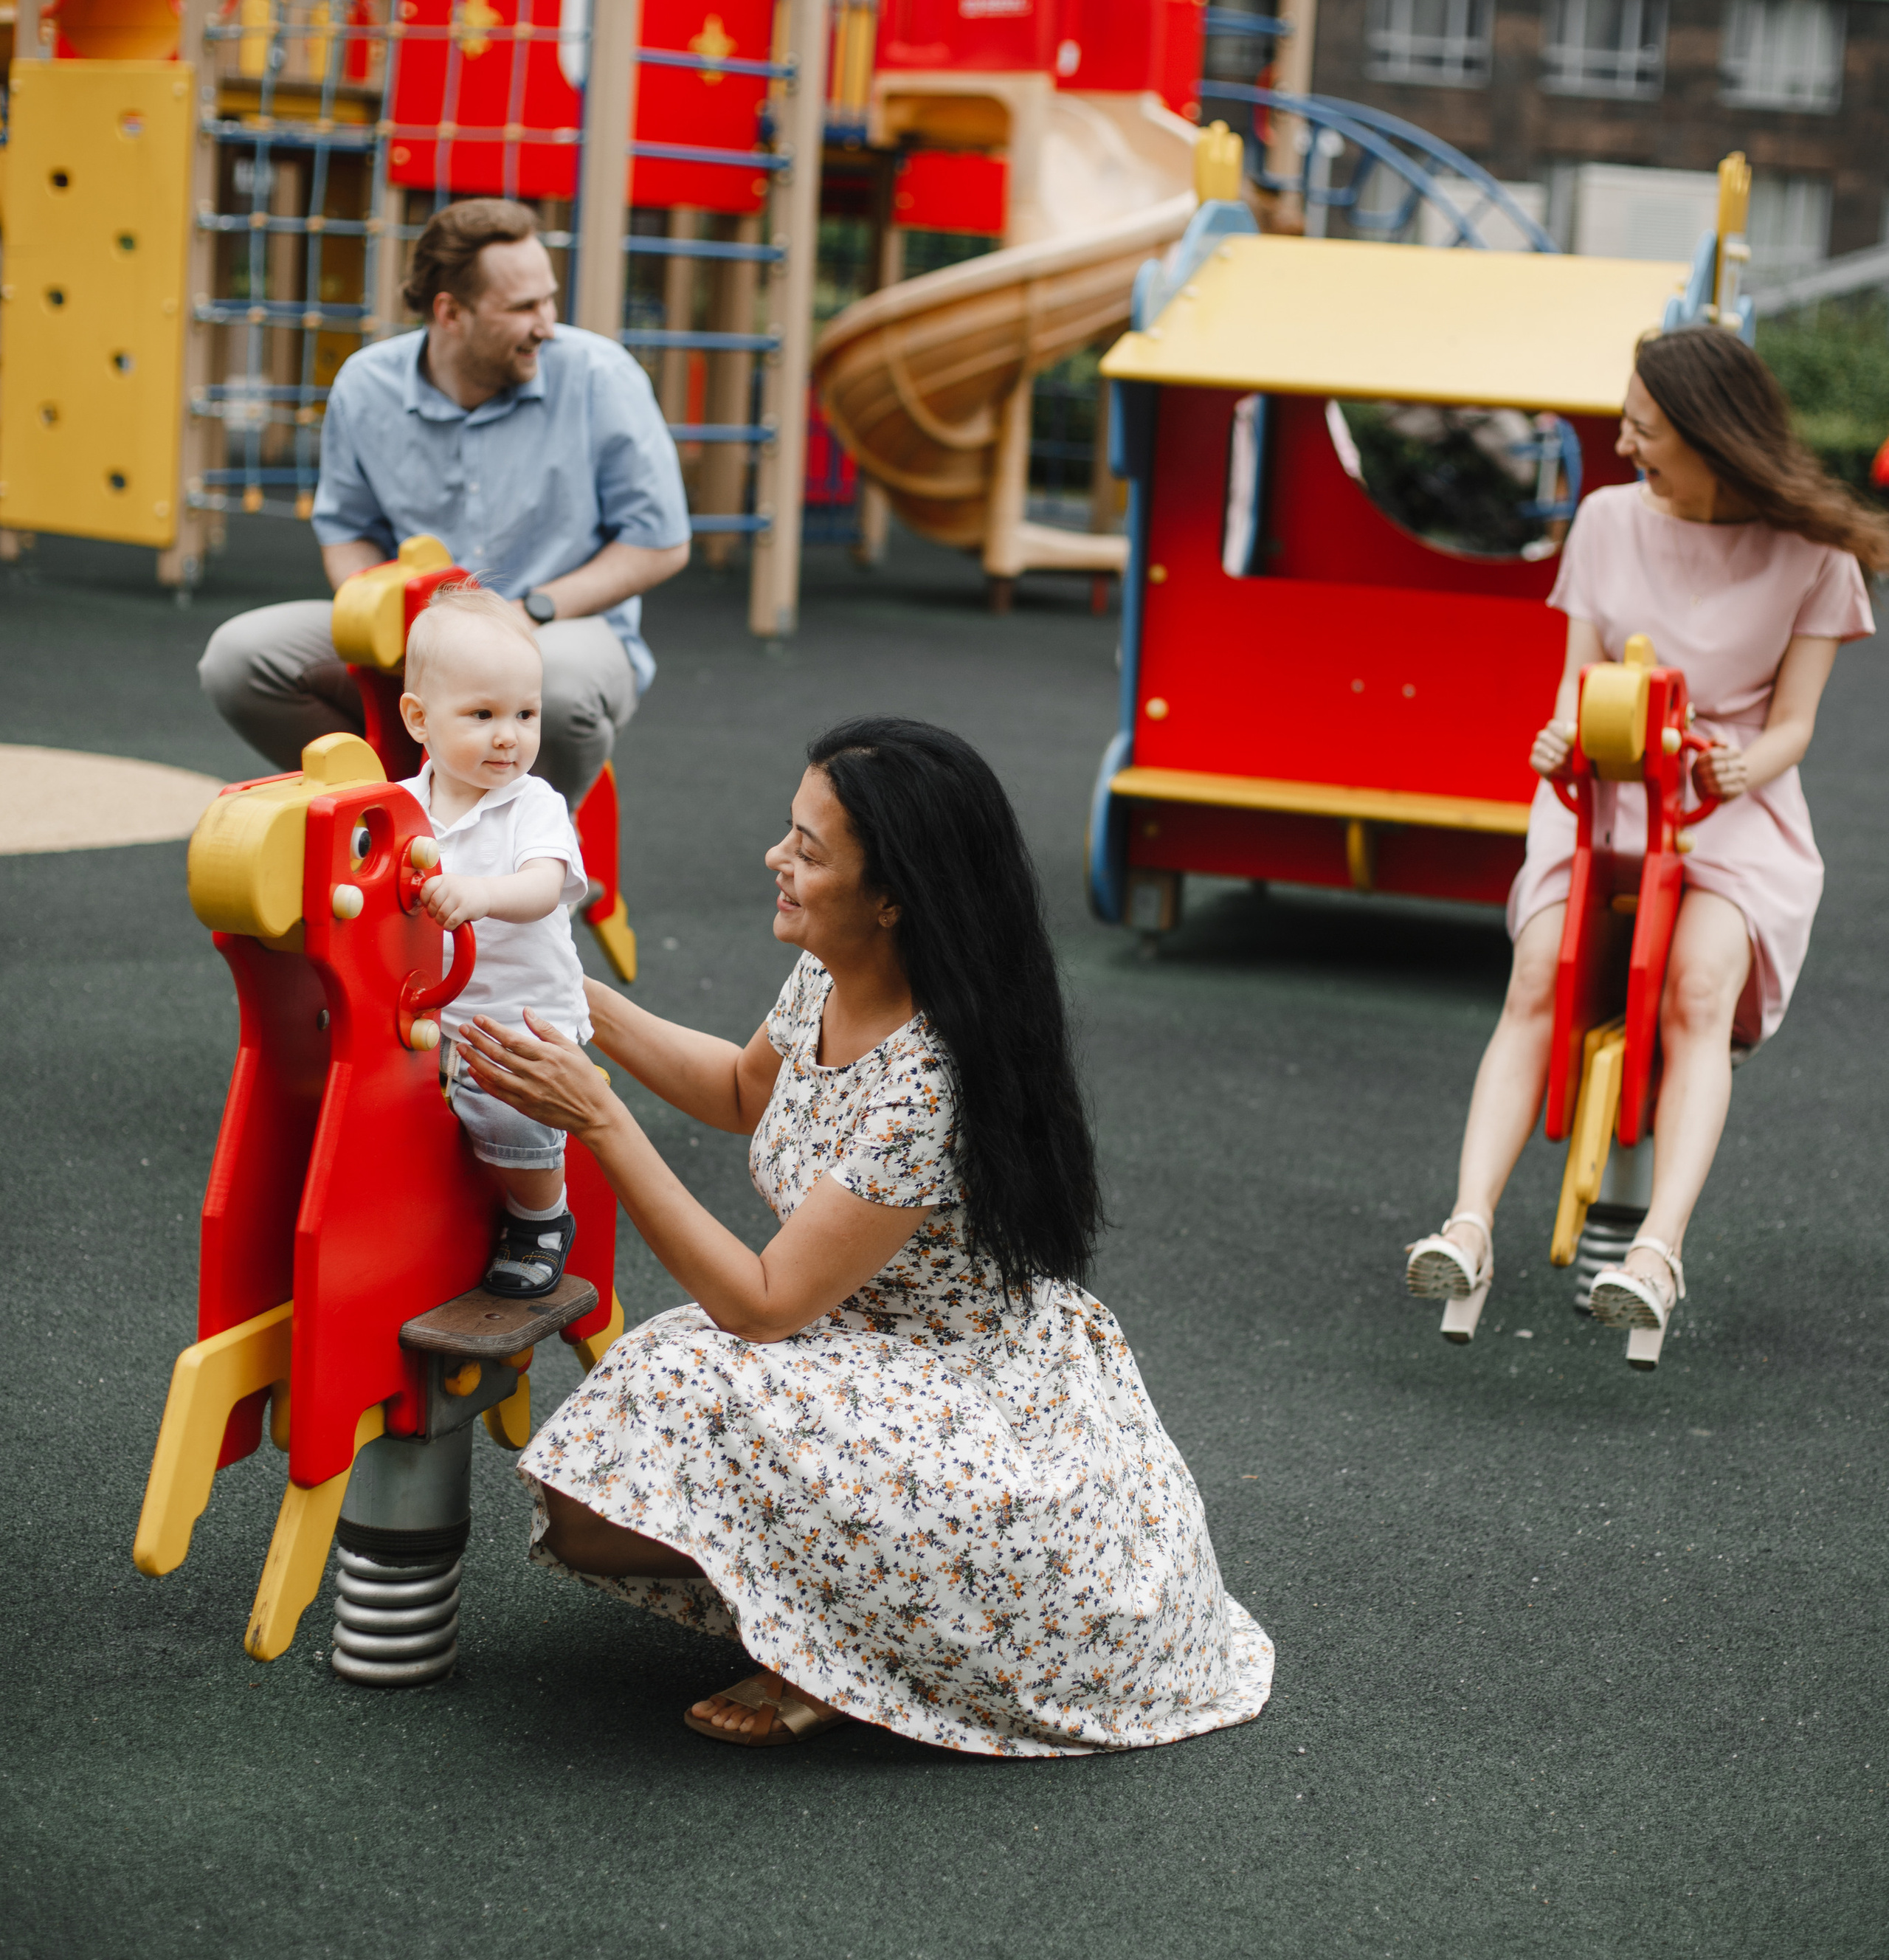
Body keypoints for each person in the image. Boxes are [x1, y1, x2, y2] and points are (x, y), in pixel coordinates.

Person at [457, 717, 1274, 1756]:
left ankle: (845, 1653)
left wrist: (602, 1119)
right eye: (788, 834)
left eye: (809, 849)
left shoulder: (929, 1081)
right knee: (591, 1493)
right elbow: (745, 1088)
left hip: (971, 1402)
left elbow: (761, 1305)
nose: (775, 861)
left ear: (893, 899)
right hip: (863, 1357)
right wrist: (568, 994)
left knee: (676, 1375)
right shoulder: (836, 973)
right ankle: (849, 1618)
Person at [1406, 324, 1882, 1336]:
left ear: (1711, 435)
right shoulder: (1607, 521)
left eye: (1644, 428)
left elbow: (1793, 721)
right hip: (1604, 792)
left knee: (1697, 989)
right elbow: (1580, 689)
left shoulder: (1814, 553)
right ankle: (1468, 1228)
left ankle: (1659, 1251)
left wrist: (1745, 764)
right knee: (1540, 975)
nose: (1625, 447)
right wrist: (1557, 737)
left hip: (1729, 807)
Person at [198, 199, 691, 811]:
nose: (548, 323)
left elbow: (660, 542)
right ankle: (396, 816)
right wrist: (386, 624)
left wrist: (529, 612)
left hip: (561, 625)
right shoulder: (366, 385)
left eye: (548, 299)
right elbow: (349, 533)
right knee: (238, 660)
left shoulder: (599, 376)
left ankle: (535, 861)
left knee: (553, 691)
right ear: (450, 312)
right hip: (419, 629)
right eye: (522, 308)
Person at [398, 585, 591, 1297]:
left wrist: (480, 894)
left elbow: (543, 884)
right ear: (419, 719)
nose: (509, 735)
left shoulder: (531, 804)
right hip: (425, 1018)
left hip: (519, 1019)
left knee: (512, 1109)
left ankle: (540, 1216)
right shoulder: (401, 807)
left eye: (526, 714)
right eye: (482, 715)